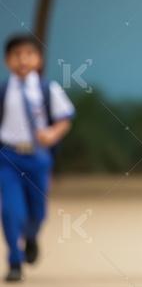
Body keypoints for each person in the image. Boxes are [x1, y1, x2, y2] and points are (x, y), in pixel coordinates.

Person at [0, 34, 75, 283]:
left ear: (39, 59)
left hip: (38, 158)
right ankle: (14, 261)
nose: (23, 60)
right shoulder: (4, 91)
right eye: (16, 55)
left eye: (29, 54)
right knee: (10, 211)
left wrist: (52, 134)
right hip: (8, 157)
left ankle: (31, 236)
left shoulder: (47, 89)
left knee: (38, 212)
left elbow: (65, 118)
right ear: (7, 60)